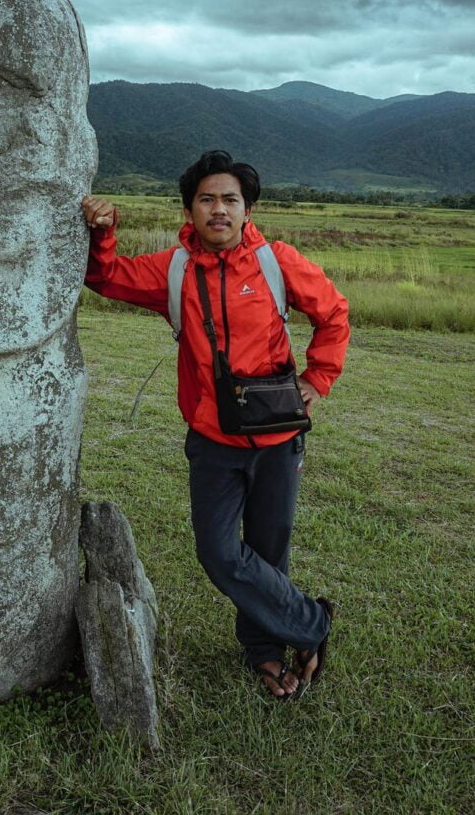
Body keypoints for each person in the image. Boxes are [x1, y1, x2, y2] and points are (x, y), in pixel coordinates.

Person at [82, 150, 350, 700]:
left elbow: (334, 313)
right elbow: (105, 279)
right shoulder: (173, 270)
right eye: (207, 199)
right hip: (211, 440)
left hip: (278, 439)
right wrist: (104, 232)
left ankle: (266, 652)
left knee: (269, 550)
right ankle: (314, 624)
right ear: (190, 208)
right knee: (219, 551)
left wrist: (316, 379)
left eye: (230, 199)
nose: (219, 210)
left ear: (247, 208)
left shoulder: (276, 262)